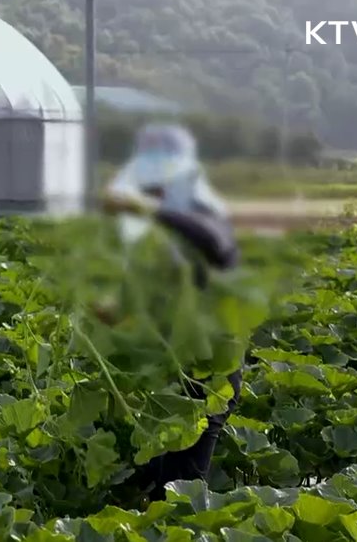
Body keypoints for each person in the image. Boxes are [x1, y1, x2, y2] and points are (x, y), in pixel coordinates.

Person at [99, 122, 243, 501]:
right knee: (148, 472)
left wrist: (149, 208)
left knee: (182, 482)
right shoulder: (152, 226)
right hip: (165, 367)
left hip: (207, 368)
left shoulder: (204, 211)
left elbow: (216, 245)